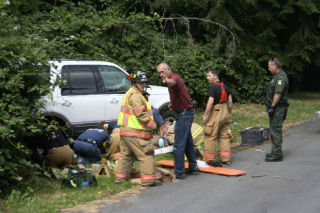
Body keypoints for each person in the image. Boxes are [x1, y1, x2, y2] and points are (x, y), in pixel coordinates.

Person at [115, 70, 159, 186]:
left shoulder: (130, 93)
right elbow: (141, 114)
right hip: (136, 132)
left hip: (125, 131)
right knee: (146, 154)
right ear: (134, 82)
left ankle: (120, 179)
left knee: (126, 155)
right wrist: (153, 125)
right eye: (140, 83)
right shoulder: (135, 96)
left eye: (144, 83)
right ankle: (149, 180)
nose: (143, 85)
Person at [156, 62, 198, 179]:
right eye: (159, 73)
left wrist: (167, 80)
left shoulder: (174, 79)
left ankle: (179, 172)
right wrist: (172, 105)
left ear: (168, 70)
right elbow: (178, 93)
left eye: (162, 72)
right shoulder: (175, 79)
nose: (160, 75)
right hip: (186, 113)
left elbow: (172, 82)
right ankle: (193, 167)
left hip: (184, 115)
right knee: (188, 143)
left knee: (178, 145)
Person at [202, 69, 233, 166]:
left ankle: (210, 159)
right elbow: (230, 102)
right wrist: (230, 113)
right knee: (224, 136)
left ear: (215, 76)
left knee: (210, 136)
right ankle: (226, 158)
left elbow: (210, 102)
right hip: (225, 113)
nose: (207, 78)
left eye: (209, 75)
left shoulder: (213, 88)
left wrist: (206, 115)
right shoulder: (226, 87)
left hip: (216, 113)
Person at [264, 58, 289, 162]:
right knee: (273, 130)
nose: (268, 68)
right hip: (275, 108)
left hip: (278, 108)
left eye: (270, 66)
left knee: (276, 131)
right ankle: (275, 151)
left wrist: (272, 107)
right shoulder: (276, 77)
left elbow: (278, 94)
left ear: (275, 67)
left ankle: (277, 155)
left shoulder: (281, 78)